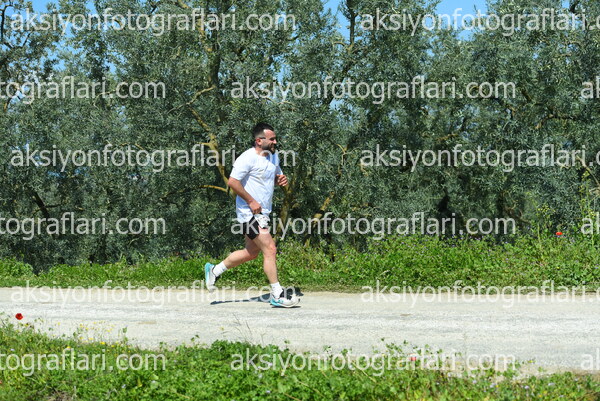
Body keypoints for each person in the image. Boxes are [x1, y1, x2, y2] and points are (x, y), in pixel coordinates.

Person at [204, 122, 299, 307]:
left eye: (275, 139)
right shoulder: (247, 158)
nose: (275, 142)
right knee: (270, 249)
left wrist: (280, 180)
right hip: (248, 214)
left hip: (263, 213)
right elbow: (233, 182)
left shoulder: (274, 156)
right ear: (259, 140)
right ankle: (277, 294)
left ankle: (214, 271)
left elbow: (272, 177)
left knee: (251, 252)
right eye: (272, 139)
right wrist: (251, 201)